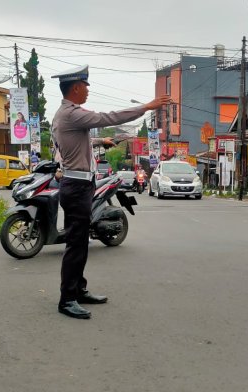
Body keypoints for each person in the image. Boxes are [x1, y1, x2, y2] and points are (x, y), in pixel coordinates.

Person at [51, 64, 172, 320]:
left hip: (77, 185)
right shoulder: (73, 114)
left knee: (81, 242)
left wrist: (99, 141)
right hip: (76, 186)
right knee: (76, 245)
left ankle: (78, 289)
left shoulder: (64, 115)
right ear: (75, 88)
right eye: (84, 86)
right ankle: (67, 299)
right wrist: (146, 107)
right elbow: (109, 118)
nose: (86, 91)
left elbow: (76, 139)